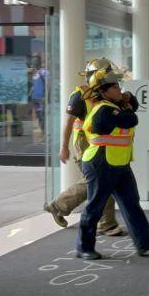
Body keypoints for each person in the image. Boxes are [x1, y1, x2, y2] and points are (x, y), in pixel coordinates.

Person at [76, 69, 149, 260]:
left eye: (119, 85)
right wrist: (125, 106)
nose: (119, 89)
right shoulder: (103, 110)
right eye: (115, 87)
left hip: (118, 163)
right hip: (100, 162)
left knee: (131, 203)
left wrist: (126, 101)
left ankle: (144, 242)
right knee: (95, 206)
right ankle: (83, 247)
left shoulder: (113, 105)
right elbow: (131, 118)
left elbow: (132, 106)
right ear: (103, 91)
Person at [43, 58, 124, 237]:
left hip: (101, 144)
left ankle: (61, 206)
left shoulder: (102, 94)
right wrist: (63, 146)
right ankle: (106, 223)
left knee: (99, 181)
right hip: (85, 145)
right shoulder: (80, 95)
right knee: (98, 180)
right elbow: (68, 123)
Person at [29, 54, 49, 132]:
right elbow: (34, 85)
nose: (34, 63)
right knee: (38, 115)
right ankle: (41, 130)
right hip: (35, 98)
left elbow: (48, 85)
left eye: (35, 61)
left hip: (41, 98)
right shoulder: (34, 73)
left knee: (42, 114)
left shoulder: (44, 72)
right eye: (33, 61)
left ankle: (43, 130)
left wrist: (46, 95)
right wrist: (30, 94)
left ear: (39, 62)